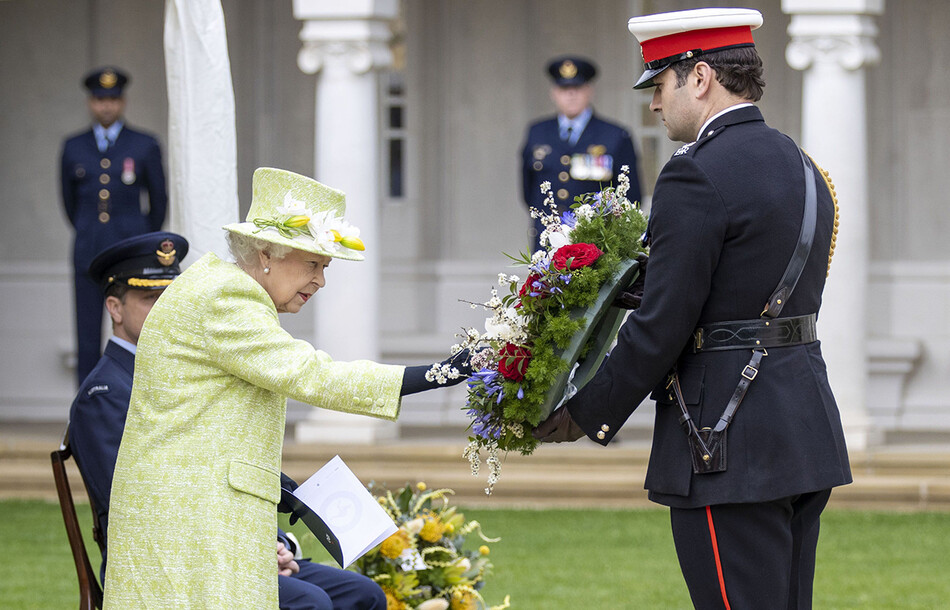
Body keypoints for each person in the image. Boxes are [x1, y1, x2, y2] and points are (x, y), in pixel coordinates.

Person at [533, 8, 851, 609]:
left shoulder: (694, 176)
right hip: (803, 427)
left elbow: (661, 327)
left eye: (659, 84)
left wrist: (583, 413)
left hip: (724, 441)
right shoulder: (806, 167)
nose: (654, 104)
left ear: (699, 78)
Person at [102, 168, 466, 608]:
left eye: (325, 266)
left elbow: (207, 411)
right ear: (266, 254)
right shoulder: (227, 296)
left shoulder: (220, 287)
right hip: (188, 514)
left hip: (193, 507)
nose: (321, 281)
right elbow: (311, 374)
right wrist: (440, 374)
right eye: (313, 263)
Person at [68, 232, 385, 609]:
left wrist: (279, 543)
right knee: (311, 603)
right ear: (115, 309)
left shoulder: (194, 367)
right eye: (151, 299)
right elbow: (143, 498)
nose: (166, 307)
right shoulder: (105, 392)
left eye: (171, 295)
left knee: (363, 595)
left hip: (233, 539)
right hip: (170, 557)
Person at [60, 66, 168, 384]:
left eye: (113, 99)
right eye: (99, 99)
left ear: (123, 102)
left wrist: (138, 239)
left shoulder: (144, 144)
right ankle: (87, 411)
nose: (106, 105)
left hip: (130, 256)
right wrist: (90, 231)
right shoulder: (73, 146)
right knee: (87, 335)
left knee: (136, 331)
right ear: (90, 103)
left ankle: (134, 404)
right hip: (88, 253)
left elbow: (158, 203)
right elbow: (69, 204)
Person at [520, 55, 642, 251]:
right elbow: (528, 190)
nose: (571, 95)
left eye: (577, 88)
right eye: (564, 89)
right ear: (553, 93)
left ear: (589, 91)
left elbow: (631, 196)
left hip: (596, 247)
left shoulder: (616, 135)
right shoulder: (537, 132)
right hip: (547, 246)